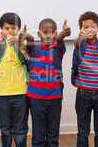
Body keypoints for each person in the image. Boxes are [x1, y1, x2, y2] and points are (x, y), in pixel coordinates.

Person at [26, 18, 71, 147]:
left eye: (51, 32)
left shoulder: (58, 48)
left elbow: (60, 39)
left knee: (53, 134)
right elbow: (26, 41)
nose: (48, 35)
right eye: (45, 32)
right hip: (35, 98)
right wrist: (27, 36)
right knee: (38, 135)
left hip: (54, 98)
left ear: (55, 34)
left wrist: (63, 34)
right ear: (39, 34)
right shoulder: (33, 47)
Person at [0, 12, 29, 147]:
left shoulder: (23, 43)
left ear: (18, 29)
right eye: (7, 28)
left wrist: (20, 45)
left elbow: (28, 59)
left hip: (21, 93)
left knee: (20, 130)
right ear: (2, 30)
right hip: (2, 94)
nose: (10, 31)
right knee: (5, 129)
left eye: (14, 28)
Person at [72, 11, 98, 147]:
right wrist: (80, 38)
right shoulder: (79, 45)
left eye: (92, 26)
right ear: (81, 30)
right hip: (84, 94)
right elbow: (77, 46)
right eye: (86, 27)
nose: (89, 29)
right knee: (83, 132)